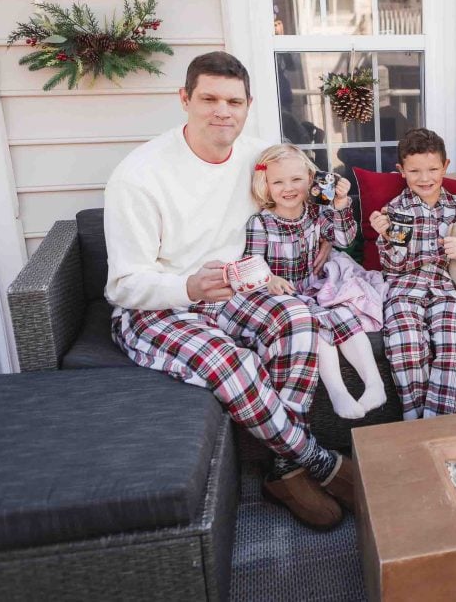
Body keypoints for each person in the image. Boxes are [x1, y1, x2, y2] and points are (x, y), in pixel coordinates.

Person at [104, 51, 352, 531]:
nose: (223, 111)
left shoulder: (258, 157)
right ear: (185, 99)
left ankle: (283, 472)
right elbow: (124, 283)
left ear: (248, 105)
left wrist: (321, 230)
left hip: (236, 288)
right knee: (232, 362)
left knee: (300, 320)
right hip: (160, 304)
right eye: (209, 99)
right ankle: (315, 461)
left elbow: (306, 191)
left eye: (233, 101)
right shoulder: (138, 176)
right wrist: (186, 285)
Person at [245, 144, 386, 419]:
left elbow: (344, 240)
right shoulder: (260, 223)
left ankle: (375, 384)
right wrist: (269, 278)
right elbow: (252, 262)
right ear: (266, 185)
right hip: (284, 298)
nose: (289, 188)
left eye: (296, 179)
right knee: (317, 325)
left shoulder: (315, 214)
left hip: (312, 288)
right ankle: (339, 393)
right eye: (278, 181)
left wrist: (341, 204)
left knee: (345, 315)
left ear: (310, 180)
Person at [370, 128, 456, 419]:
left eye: (432, 169)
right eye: (414, 171)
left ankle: (436, 423)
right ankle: (416, 421)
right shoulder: (395, 210)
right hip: (405, 287)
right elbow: (392, 266)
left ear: (446, 167)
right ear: (401, 171)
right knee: (406, 345)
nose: (424, 178)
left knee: (452, 347)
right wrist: (387, 237)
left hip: (448, 288)